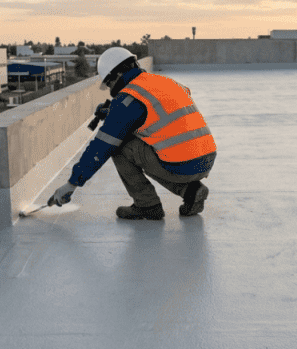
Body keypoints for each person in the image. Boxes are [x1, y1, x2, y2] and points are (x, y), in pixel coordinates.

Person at [46, 47, 217, 220]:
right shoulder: (162, 81)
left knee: (119, 146)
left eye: (109, 82)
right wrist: (114, 113)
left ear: (118, 74)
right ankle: (191, 191)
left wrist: (71, 184)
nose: (110, 88)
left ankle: (147, 205)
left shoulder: (128, 99)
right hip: (205, 158)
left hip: (182, 165)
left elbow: (101, 147)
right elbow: (156, 113)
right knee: (151, 150)